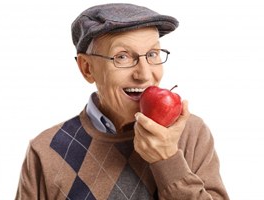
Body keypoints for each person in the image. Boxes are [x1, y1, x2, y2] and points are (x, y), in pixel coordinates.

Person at [15, 3, 229, 200]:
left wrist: (168, 160)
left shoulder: (191, 132)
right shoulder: (47, 150)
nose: (145, 74)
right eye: (123, 56)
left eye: (153, 54)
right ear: (87, 68)